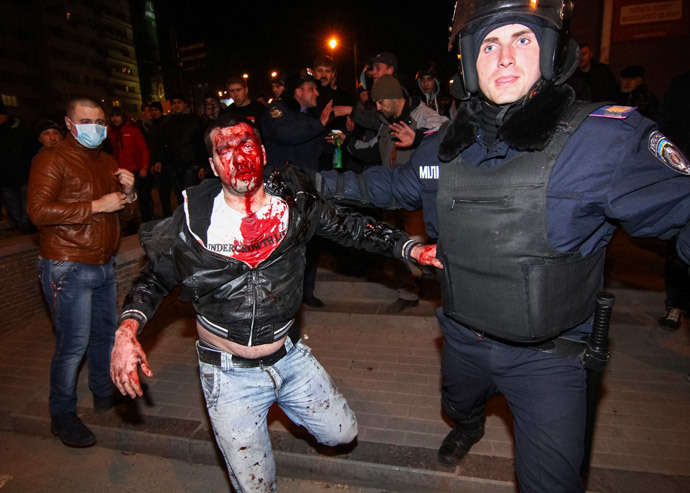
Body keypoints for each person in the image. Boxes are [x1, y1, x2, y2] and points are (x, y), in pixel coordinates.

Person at [315, 1, 690, 490]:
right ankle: (469, 426)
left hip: (549, 359)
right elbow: (383, 188)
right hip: (462, 334)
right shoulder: (443, 146)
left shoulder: (605, 140)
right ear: (471, 61)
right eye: (489, 44)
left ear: (551, 54)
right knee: (457, 405)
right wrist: (309, 182)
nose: (505, 58)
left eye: (522, 40)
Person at [109, 114, 436, 492]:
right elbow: (154, 278)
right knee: (256, 486)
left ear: (262, 152)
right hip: (228, 372)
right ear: (214, 166)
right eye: (225, 150)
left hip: (289, 355)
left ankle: (280, 401)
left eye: (246, 144)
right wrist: (126, 331)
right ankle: (250, 421)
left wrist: (410, 247)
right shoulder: (193, 222)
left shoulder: (295, 203)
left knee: (343, 433)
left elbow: (353, 228)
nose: (238, 156)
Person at [26, 97, 137, 448]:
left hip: (104, 262)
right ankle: (62, 415)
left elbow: (127, 217)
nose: (97, 128)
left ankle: (104, 392)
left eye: (101, 122)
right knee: (73, 345)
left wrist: (130, 195)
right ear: (69, 124)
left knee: (104, 334)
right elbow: (38, 212)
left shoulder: (106, 161)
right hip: (67, 263)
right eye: (88, 122)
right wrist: (94, 206)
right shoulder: (52, 158)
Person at [657, 70, 690, 331]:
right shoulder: (681, 84)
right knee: (679, 248)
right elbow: (666, 129)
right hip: (684, 178)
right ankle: (676, 305)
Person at [107, 106, 152, 227]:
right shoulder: (110, 133)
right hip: (120, 172)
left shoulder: (133, 130)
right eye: (113, 116)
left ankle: (148, 223)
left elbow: (144, 149)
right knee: (126, 200)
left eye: (118, 115)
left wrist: (144, 167)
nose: (115, 119)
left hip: (135, 170)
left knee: (141, 199)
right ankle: (132, 225)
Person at [162, 94, 206, 207]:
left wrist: (202, 164)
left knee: (190, 196)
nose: (176, 105)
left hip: (191, 164)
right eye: (174, 103)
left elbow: (201, 143)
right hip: (174, 165)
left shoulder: (195, 120)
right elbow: (165, 142)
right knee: (180, 197)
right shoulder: (168, 122)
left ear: (185, 104)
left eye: (179, 102)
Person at [0, 101, 35, 234]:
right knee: (14, 208)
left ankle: (29, 229)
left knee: (26, 206)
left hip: (23, 176)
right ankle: (22, 228)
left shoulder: (19, 129)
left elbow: (29, 149)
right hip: (5, 179)